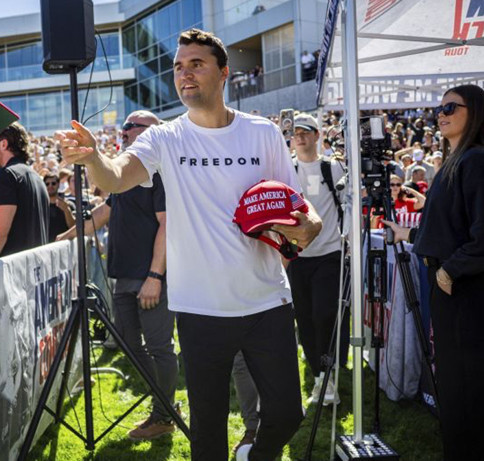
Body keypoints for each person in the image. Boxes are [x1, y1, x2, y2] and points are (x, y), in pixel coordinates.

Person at [56, 28, 322, 461]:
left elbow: (294, 207)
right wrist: (92, 160)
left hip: (267, 301)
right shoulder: (166, 137)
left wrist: (309, 224)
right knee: (208, 433)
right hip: (201, 309)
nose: (184, 74)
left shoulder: (262, 133)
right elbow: (117, 176)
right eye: (178, 66)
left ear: (224, 73)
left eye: (196, 64)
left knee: (288, 413)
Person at [58, 110, 181, 441]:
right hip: (123, 276)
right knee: (128, 344)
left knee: (159, 347)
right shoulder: (126, 173)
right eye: (124, 127)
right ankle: (166, 407)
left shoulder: (160, 173)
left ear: (152, 132)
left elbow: (167, 226)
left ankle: (164, 414)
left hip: (151, 277)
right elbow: (104, 212)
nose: (123, 132)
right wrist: (66, 237)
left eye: (131, 126)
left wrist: (155, 275)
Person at [383, 84, 484, 461]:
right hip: (447, 288)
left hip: (464, 292)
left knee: (466, 387)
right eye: (438, 108)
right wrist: (407, 233)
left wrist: (450, 272)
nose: (440, 114)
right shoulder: (455, 161)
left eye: (450, 107)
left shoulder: (474, 161)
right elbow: (445, 228)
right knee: (455, 385)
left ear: (473, 112)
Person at [288, 113, 348, 406]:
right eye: (296, 132)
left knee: (324, 314)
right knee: (305, 320)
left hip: (329, 253)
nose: (300, 137)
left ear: (316, 136)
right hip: (297, 257)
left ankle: (329, 372)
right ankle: (318, 377)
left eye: (306, 132)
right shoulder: (286, 168)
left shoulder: (333, 167)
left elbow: (348, 206)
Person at [0, 122, 49, 266]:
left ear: (3, 144)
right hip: (36, 271)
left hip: (14, 274)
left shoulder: (6, 176)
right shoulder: (37, 178)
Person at [44, 172, 75, 239]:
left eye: (53, 183)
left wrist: (67, 210)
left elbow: (73, 227)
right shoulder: (41, 206)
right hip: (45, 246)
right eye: (47, 184)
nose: (50, 186)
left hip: (64, 244)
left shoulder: (68, 204)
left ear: (58, 185)